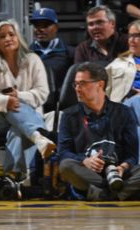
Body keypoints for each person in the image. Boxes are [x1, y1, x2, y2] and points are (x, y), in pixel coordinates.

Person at [0, 20, 57, 178]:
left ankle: (13, 177)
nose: (8, 38)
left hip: (27, 118)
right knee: (12, 108)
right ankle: (38, 137)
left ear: (18, 37)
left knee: (18, 130)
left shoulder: (33, 60)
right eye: (2, 36)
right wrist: (6, 101)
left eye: (11, 34)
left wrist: (18, 96)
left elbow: (43, 93)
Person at [58, 62, 140, 200]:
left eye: (82, 83)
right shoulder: (69, 115)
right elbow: (64, 152)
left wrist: (122, 167)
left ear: (100, 84)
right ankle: (119, 193)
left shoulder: (123, 112)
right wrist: (85, 161)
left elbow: (132, 154)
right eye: (76, 84)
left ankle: (104, 194)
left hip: (118, 172)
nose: (77, 88)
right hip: (88, 173)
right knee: (66, 166)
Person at [29, 7, 75, 101]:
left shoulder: (70, 53)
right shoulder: (25, 54)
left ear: (56, 27)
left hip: (60, 105)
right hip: (33, 102)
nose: (40, 29)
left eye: (45, 25)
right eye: (37, 25)